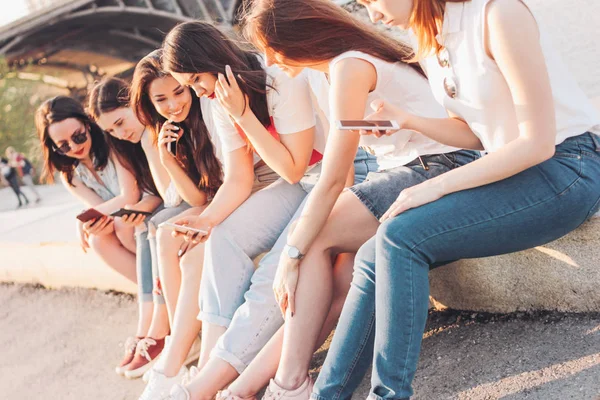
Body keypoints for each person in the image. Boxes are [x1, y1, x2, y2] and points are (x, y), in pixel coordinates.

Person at [167, 2, 478, 399]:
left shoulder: (344, 68)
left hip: (434, 166)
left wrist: (292, 254)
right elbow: (358, 149)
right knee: (337, 284)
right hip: (412, 167)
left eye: (273, 48)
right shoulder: (335, 70)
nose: (271, 60)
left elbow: (329, 177)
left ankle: (287, 383)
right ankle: (246, 388)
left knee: (311, 240)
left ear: (299, 37)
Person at [308, 0, 600, 399]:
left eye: (371, 0)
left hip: (568, 168)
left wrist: (434, 186)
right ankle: (327, 395)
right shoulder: (432, 39)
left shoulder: (497, 14)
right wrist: (407, 120)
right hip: (513, 170)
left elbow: (536, 143)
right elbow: (476, 133)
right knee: (372, 254)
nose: (371, 14)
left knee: (400, 235)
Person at [137, 21, 325, 400]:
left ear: (212, 59)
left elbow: (293, 166)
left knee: (274, 272)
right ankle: (208, 369)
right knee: (222, 238)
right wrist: (204, 221)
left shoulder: (276, 79)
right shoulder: (219, 101)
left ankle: (207, 384)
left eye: (193, 80)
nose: (195, 92)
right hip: (298, 186)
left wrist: (243, 116)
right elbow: (238, 180)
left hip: (328, 179)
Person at [88, 77, 170, 379]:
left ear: (133, 101)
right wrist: (143, 208)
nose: (121, 134)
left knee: (153, 226)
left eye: (121, 123)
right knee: (143, 227)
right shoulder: (125, 145)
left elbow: (172, 193)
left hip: (187, 202)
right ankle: (146, 329)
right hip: (165, 204)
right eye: (111, 130)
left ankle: (159, 330)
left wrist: (145, 206)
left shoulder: (160, 126)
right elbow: (152, 194)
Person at [35, 96, 140, 285]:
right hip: (123, 220)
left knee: (120, 225)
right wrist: (92, 221)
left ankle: (159, 287)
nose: (75, 147)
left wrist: (84, 217)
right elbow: (104, 211)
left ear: (87, 124)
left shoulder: (112, 143)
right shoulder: (71, 176)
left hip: (145, 205)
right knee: (98, 240)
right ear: (54, 147)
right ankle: (150, 291)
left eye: (78, 136)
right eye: (64, 145)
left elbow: (130, 195)